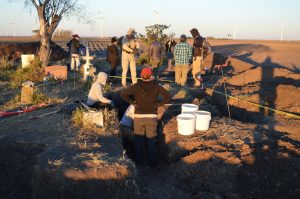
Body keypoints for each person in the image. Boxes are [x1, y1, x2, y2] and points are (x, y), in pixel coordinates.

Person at [120, 67, 171, 166]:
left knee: (138, 141)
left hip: (138, 117)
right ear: (151, 75)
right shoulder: (156, 86)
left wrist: (132, 102)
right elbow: (167, 96)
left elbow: (123, 93)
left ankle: (140, 163)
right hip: (151, 117)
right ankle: (152, 163)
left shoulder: (136, 86)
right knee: (151, 140)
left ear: (141, 75)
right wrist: (160, 104)